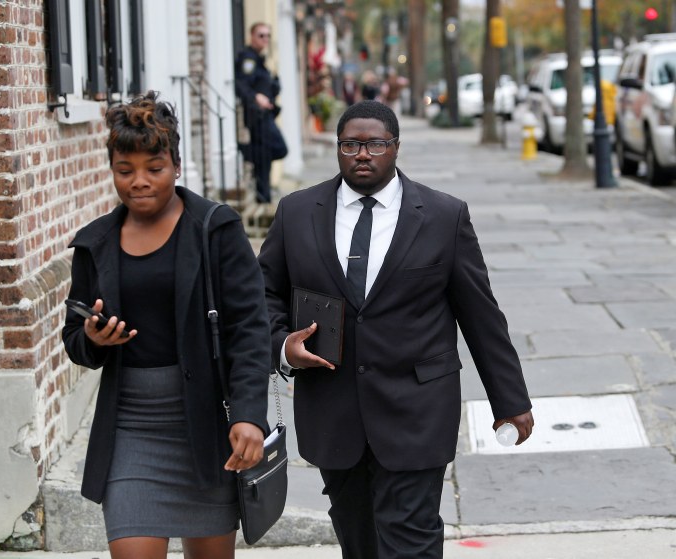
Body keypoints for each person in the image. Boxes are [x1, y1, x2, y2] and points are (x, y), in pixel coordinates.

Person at [257, 100, 534, 559]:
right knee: (357, 538)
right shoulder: (297, 212)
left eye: (375, 144)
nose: (362, 154)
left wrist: (510, 400)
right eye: (350, 144)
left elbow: (481, 314)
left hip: (417, 409)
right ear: (338, 148)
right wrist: (282, 345)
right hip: (333, 410)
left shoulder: (444, 216)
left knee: (411, 536)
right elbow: (261, 295)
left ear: (396, 147)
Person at [62, 91, 271, 559]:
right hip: (130, 430)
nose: (138, 182)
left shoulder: (215, 229)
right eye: (124, 170)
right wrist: (93, 339)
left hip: (206, 427)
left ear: (176, 164)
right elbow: (73, 338)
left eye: (153, 168)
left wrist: (249, 414)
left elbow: (250, 329)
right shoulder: (95, 244)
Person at [235, 22, 288, 204]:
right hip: (257, 115)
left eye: (267, 36)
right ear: (252, 36)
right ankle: (241, 150)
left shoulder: (260, 60)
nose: (265, 39)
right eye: (261, 35)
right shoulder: (248, 59)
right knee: (279, 148)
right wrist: (256, 97)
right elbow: (241, 83)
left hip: (265, 114)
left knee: (265, 155)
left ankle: (263, 195)